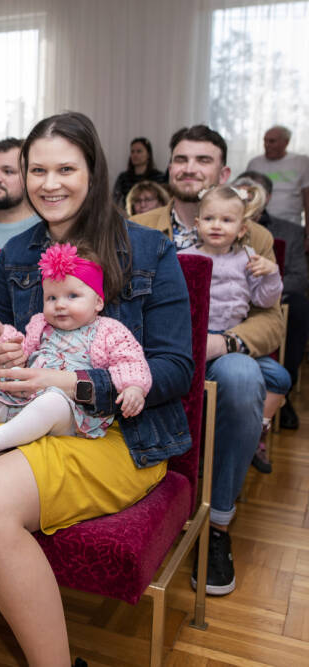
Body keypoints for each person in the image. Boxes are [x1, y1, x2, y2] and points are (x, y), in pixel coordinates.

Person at [0, 112, 193, 666]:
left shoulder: (149, 251)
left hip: (121, 434)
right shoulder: (17, 254)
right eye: (38, 170)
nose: (50, 184)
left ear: (94, 172)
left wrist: (73, 382)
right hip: (26, 414)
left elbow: (175, 369)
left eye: (66, 169)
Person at [133, 125, 283, 597]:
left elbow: (272, 318)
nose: (189, 168)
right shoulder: (139, 225)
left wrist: (225, 343)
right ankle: (143, 505)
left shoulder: (254, 236)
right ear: (169, 167)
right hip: (152, 349)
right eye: (181, 159)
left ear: (223, 172)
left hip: (221, 350)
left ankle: (217, 525)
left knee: (241, 377)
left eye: (203, 160)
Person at [0, 243, 150, 452]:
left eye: (72, 296)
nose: (60, 305)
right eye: (51, 298)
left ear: (98, 302)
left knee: (51, 403)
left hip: (74, 411)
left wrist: (134, 388)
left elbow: (130, 362)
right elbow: (21, 353)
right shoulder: (40, 324)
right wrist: (1, 333)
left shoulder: (108, 330)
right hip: (24, 398)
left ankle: (2, 437)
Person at [179, 184, 288, 474]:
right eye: (210, 219)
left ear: (241, 230)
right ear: (198, 224)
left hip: (231, 342)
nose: (217, 225)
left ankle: (255, 431)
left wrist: (271, 274)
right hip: (197, 341)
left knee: (280, 377)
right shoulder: (185, 257)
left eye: (226, 220)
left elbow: (264, 301)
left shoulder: (248, 259)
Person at [234, 170, 308, 430]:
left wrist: (271, 285)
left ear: (266, 198)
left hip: (276, 294)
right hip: (233, 303)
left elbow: (300, 276)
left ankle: (281, 401)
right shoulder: (219, 228)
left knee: (298, 308)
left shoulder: (290, 231)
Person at [246, 126, 309, 224]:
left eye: (272, 141)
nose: (267, 145)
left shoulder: (301, 162)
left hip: (290, 223)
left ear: (286, 142)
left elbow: (307, 196)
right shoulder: (255, 163)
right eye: (265, 141)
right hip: (259, 222)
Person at [112, 137, 165, 206]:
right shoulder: (123, 178)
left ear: (148, 154)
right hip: (128, 212)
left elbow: (164, 201)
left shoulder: (159, 177)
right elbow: (114, 201)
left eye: (139, 151)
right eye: (132, 152)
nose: (135, 155)